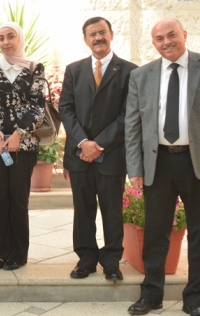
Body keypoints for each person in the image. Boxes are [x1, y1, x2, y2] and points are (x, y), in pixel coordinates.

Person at [126, 19, 200, 316]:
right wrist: (135, 168)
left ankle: (195, 300)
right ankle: (152, 295)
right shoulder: (141, 76)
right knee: (155, 233)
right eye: (159, 38)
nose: (166, 42)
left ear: (184, 35)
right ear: (154, 43)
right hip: (158, 162)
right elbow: (132, 126)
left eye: (172, 35)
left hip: (198, 162)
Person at [59, 17, 137, 282]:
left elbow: (128, 115)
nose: (98, 38)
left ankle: (112, 261)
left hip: (111, 155)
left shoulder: (130, 71)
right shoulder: (74, 70)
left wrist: (98, 145)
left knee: (112, 210)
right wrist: (83, 143)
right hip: (79, 154)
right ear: (85, 40)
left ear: (111, 34)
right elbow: (65, 109)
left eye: (102, 32)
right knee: (82, 210)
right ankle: (86, 259)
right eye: (92, 34)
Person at [0, 22, 46, 271]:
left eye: (11, 37)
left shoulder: (34, 68)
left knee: (18, 199)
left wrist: (18, 135)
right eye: (1, 37)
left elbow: (37, 106)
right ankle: (1, 252)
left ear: (19, 38)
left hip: (23, 145)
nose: (6, 42)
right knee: (1, 198)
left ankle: (18, 254)